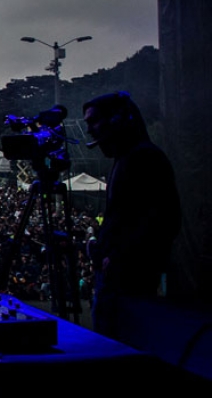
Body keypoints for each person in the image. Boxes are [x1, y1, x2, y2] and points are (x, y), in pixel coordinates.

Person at [83, 91, 182, 339]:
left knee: (119, 346)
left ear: (117, 121)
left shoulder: (144, 158)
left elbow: (162, 218)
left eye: (94, 122)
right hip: (115, 275)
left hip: (127, 279)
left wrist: (119, 254)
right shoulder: (124, 159)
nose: (90, 131)